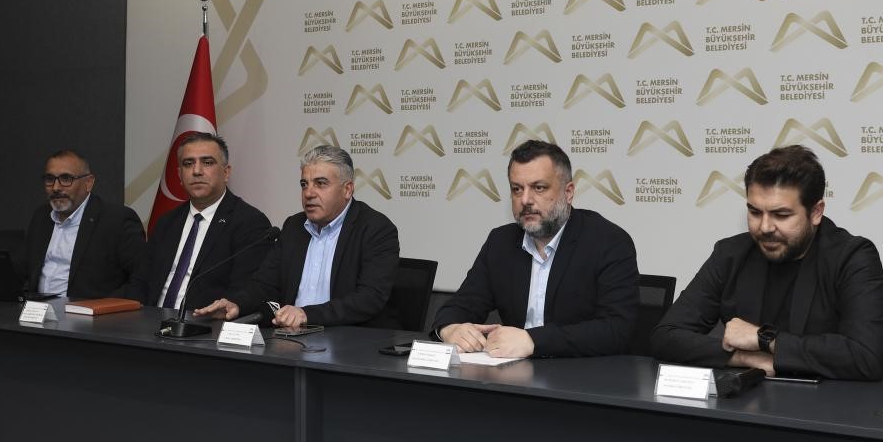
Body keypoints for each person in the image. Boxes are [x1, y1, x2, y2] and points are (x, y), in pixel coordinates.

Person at [651, 145, 883, 380]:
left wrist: (765, 339)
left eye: (781, 215)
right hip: (748, 400)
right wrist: (742, 357)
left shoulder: (852, 256)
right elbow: (666, 336)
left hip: (829, 403)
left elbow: (866, 356)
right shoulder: (731, 254)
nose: (764, 227)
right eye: (755, 212)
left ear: (816, 212)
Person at [432, 140, 639, 358]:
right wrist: (449, 329)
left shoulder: (609, 242)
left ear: (568, 192)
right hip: (511, 372)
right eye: (517, 189)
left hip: (581, 373)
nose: (525, 200)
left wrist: (534, 341)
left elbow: (617, 331)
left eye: (539, 188)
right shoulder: (500, 242)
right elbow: (461, 306)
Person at [197, 145, 400, 329]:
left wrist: (306, 314)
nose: (309, 193)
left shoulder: (376, 229)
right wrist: (237, 304)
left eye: (320, 183)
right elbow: (265, 284)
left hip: (350, 340)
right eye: (304, 184)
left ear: (347, 189)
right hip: (292, 338)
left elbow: (369, 298)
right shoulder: (294, 227)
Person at [127, 132, 272, 311]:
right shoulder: (167, 222)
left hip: (203, 323)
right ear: (179, 175)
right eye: (188, 164)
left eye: (207, 162)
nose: (196, 171)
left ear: (226, 172)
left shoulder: (250, 223)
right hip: (150, 320)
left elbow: (243, 293)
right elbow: (140, 283)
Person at [23, 150, 145, 299]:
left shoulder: (117, 220)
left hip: (90, 311)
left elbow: (142, 278)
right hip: (37, 309)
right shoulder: (41, 216)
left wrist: (103, 308)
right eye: (50, 179)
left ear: (88, 183)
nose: (56, 187)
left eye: (66, 179)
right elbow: (26, 271)